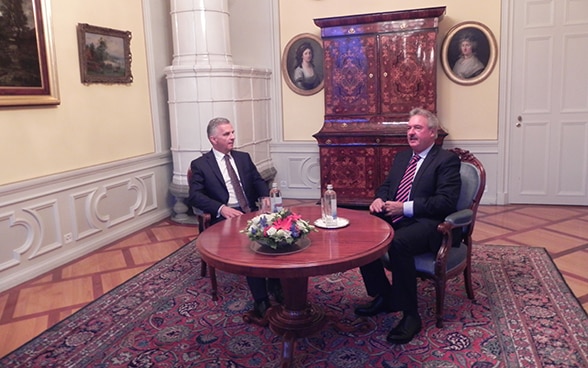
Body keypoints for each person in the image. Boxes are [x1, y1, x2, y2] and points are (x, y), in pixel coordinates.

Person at [354, 108, 461, 344]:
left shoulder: (446, 160)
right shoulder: (402, 157)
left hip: (430, 222)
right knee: (364, 231)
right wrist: (379, 198)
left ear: (432, 133)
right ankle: (384, 295)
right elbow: (387, 186)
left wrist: (405, 208)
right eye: (409, 128)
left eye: (418, 128)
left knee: (398, 242)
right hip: (397, 215)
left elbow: (445, 202)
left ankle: (411, 315)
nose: (411, 133)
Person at [188, 117, 281, 320]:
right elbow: (195, 195)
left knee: (279, 234)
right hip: (225, 215)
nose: (233, 137)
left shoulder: (243, 157)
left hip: (251, 210)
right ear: (213, 139)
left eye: (232, 132)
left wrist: (265, 199)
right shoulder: (200, 165)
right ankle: (261, 301)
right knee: (251, 246)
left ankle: (277, 283)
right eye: (227, 134)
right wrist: (221, 209)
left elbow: (257, 181)